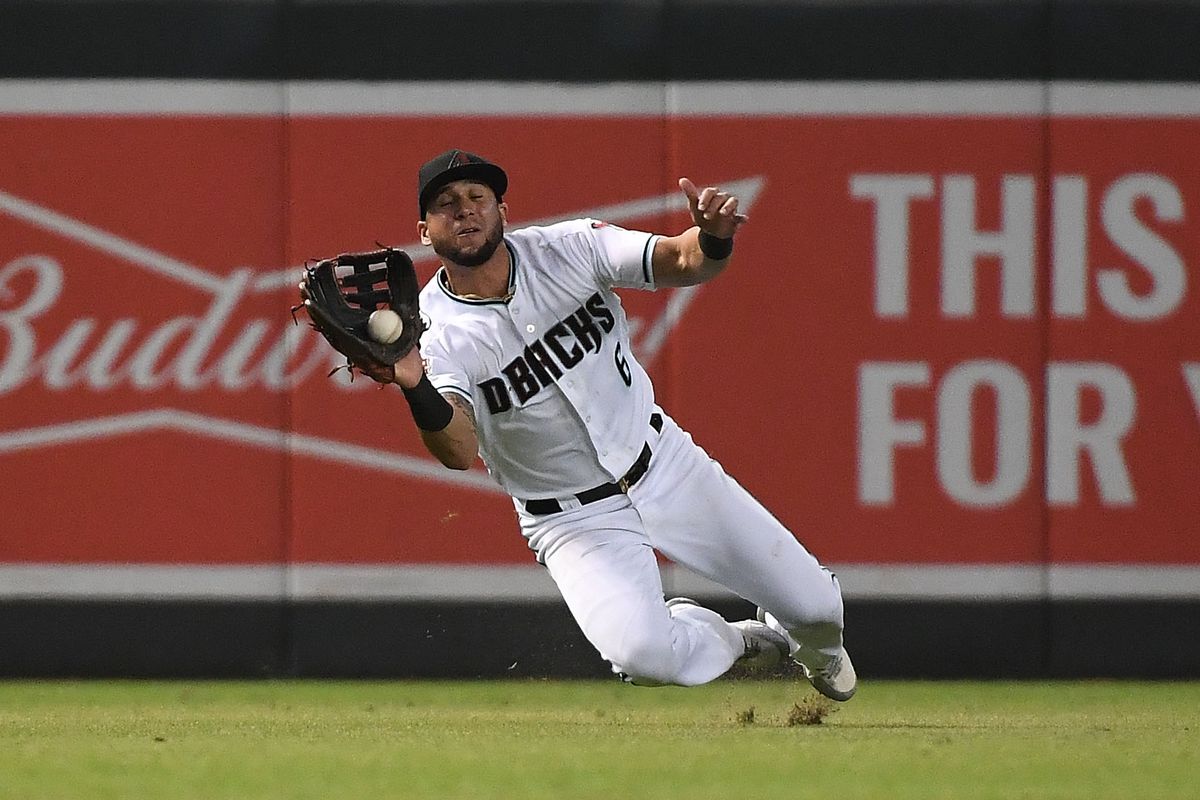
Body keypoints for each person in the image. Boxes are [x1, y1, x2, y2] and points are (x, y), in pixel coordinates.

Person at [362, 148, 854, 698]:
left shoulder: (569, 248)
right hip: (572, 519)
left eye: (478, 197)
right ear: (425, 232)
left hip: (663, 465)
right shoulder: (433, 332)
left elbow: (684, 260)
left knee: (817, 608)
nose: (465, 210)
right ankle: (742, 641)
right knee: (645, 655)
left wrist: (714, 237)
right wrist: (413, 384)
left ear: (503, 209)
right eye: (446, 204)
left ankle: (814, 644)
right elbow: (456, 449)